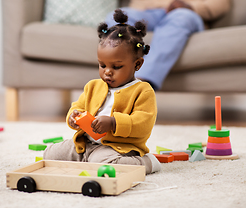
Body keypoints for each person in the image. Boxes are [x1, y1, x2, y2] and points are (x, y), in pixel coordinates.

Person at [43, 9, 161, 174]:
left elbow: (143, 123)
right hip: (86, 143)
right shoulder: (93, 86)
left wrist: (114, 123)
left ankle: (146, 162)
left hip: (118, 148)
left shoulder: (143, 90)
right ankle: (88, 160)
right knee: (50, 155)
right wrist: (73, 116)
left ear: (137, 65)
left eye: (116, 66)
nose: (107, 72)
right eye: (102, 65)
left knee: (105, 164)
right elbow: (78, 106)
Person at [96, 0, 231, 90]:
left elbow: (221, 0)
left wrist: (190, 7)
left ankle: (138, 89)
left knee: (182, 17)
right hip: (144, 12)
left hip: (184, 13)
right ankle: (113, 83)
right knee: (117, 18)